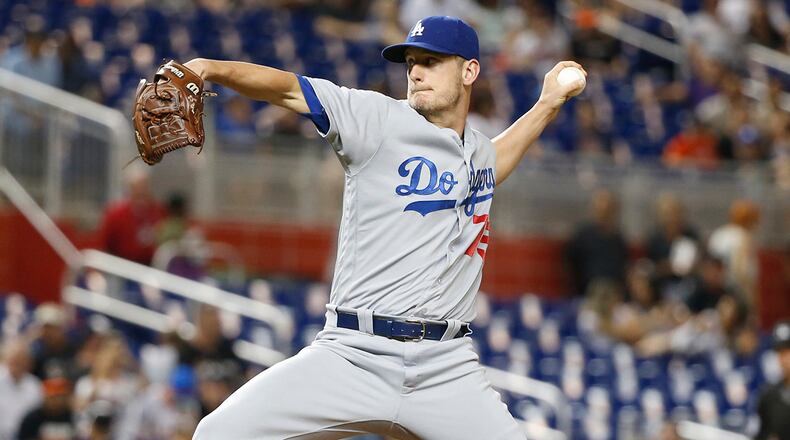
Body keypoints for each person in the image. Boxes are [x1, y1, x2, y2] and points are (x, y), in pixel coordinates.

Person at [187, 15, 585, 439]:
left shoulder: (478, 154)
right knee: (218, 433)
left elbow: (497, 159)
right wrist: (208, 67)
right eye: (411, 61)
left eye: (432, 61)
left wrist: (547, 104)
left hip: (446, 367)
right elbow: (287, 88)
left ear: (469, 71)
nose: (415, 72)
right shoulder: (377, 119)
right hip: (354, 354)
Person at [565, 189, 629, 296]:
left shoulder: (618, 239)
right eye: (601, 209)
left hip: (613, 293)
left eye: (608, 210)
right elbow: (572, 266)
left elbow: (623, 267)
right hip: (588, 292)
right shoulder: (582, 235)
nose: (605, 213)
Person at [97, 166, 165, 265]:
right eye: (137, 187)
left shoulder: (159, 211)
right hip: (124, 267)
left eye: (144, 186)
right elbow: (104, 244)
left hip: (152, 267)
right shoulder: (116, 214)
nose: (141, 191)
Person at [0, 339, 43, 440]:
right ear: (5, 359)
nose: (17, 362)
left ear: (28, 362)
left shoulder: (35, 385)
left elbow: (37, 416)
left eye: (21, 359)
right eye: (14, 358)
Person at [755, 320, 790, 440]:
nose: (784, 358)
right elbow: (762, 433)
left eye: (788, 350)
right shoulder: (768, 396)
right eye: (780, 352)